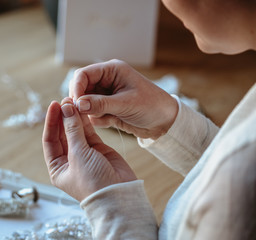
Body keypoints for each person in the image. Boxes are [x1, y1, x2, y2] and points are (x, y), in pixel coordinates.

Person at [42, 0, 256, 239]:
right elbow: (227, 166)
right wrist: (168, 122)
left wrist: (110, 204)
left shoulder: (243, 184)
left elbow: (236, 180)